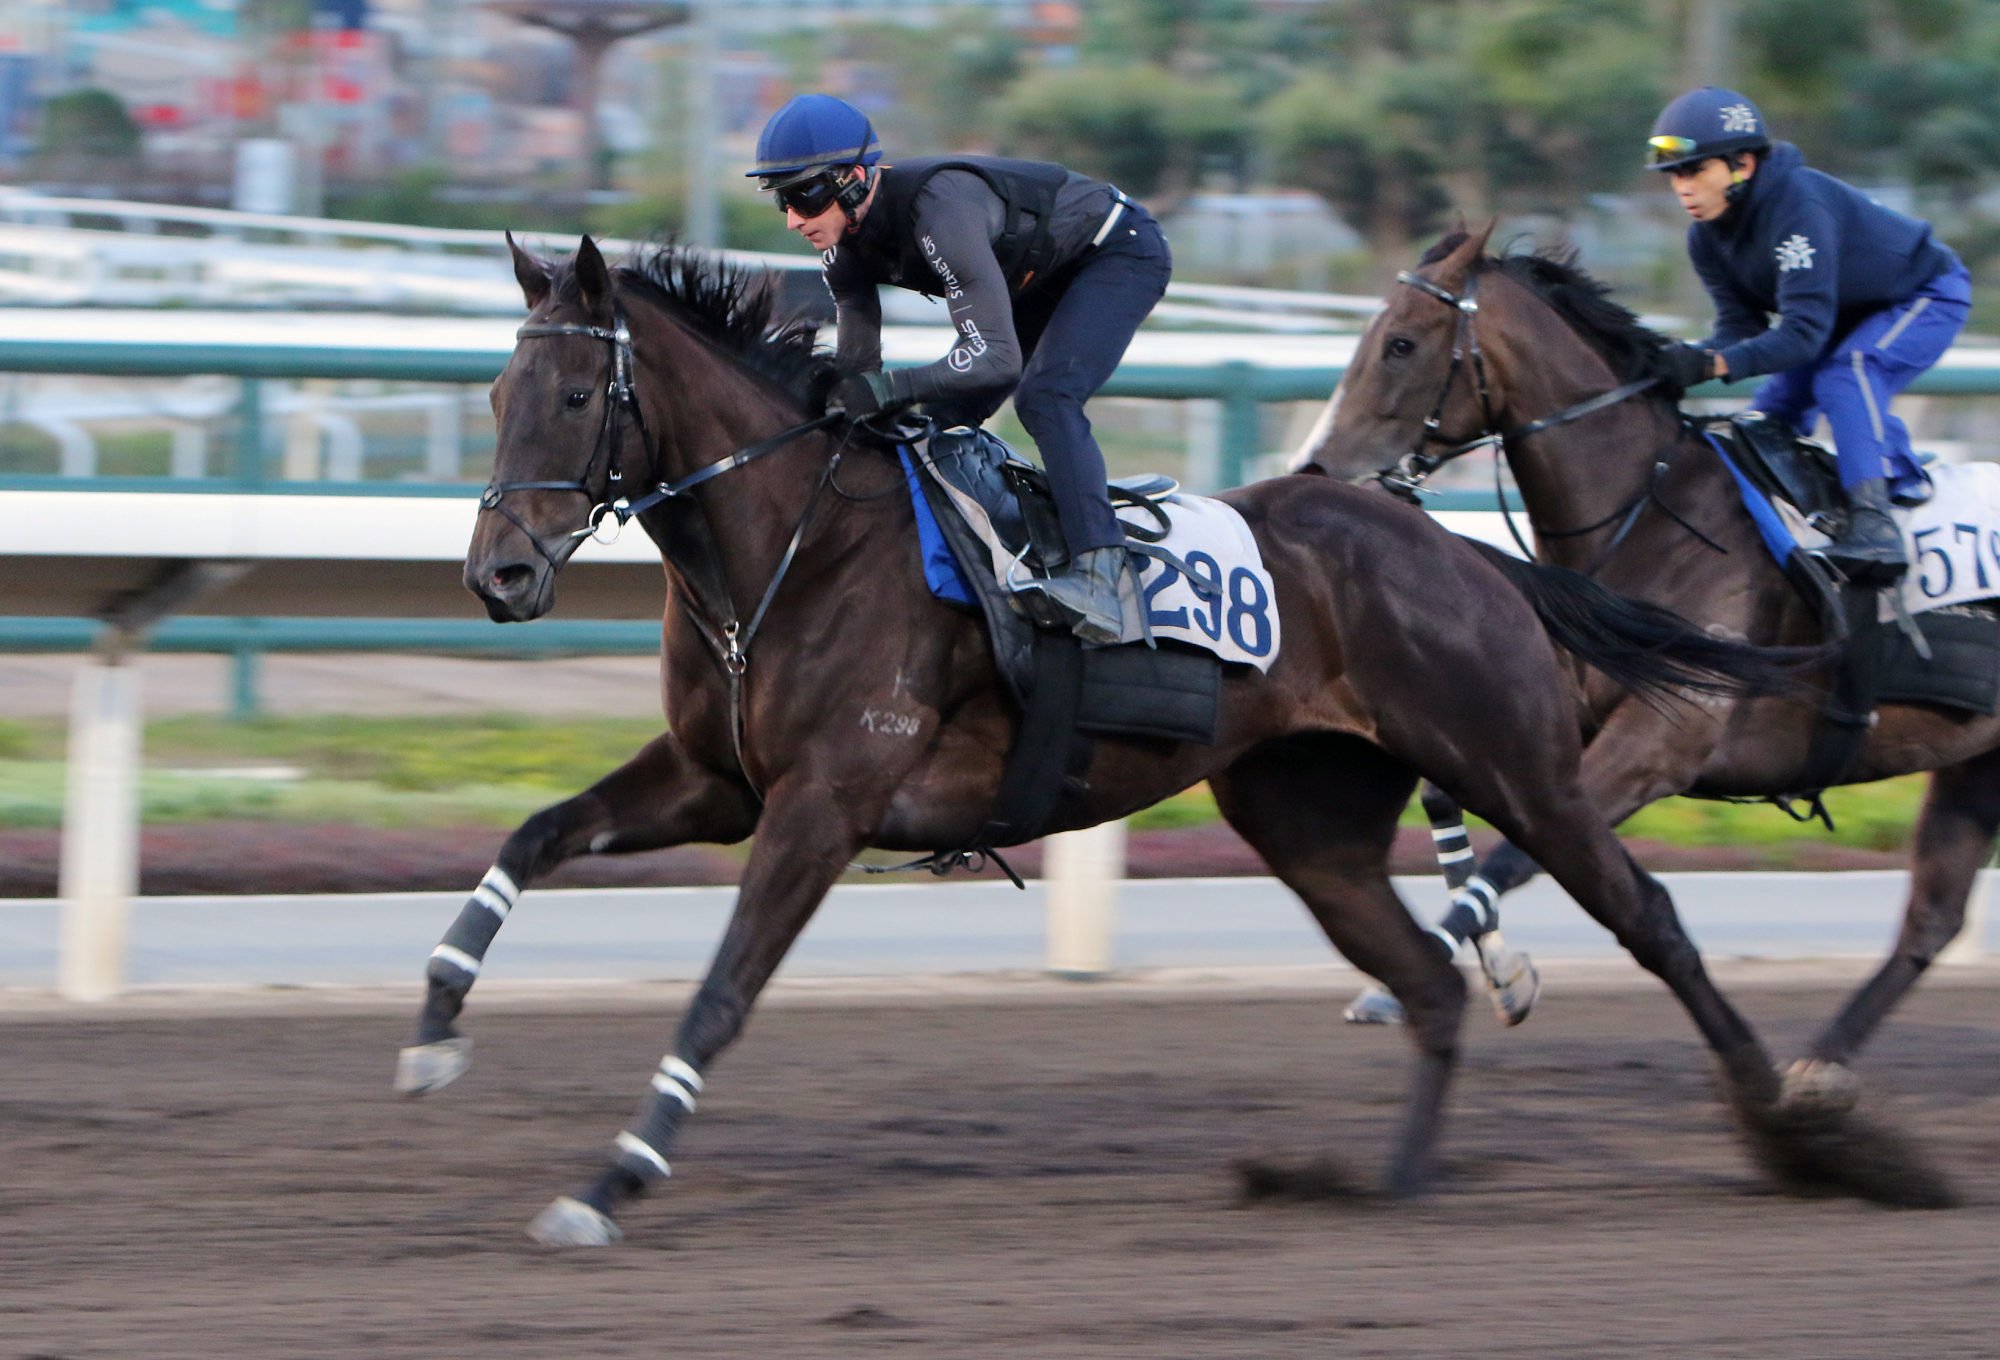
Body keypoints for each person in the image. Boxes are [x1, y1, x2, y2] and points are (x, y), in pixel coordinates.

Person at [747, 93, 1173, 643]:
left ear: (853, 179)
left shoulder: (939, 211)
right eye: (780, 200)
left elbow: (995, 359)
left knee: (1045, 397)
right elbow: (861, 377)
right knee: (941, 420)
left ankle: (1101, 576)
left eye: (802, 198)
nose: (791, 221)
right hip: (1037, 273)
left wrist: (887, 389)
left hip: (1115, 251)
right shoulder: (841, 246)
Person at [1647, 86, 1972, 584]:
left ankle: (1877, 525)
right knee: (1768, 420)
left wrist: (1711, 366)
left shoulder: (1799, 205)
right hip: (1839, 314)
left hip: (1923, 294)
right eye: (1674, 175)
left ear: (1744, 166)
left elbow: (1800, 337)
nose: (1682, 188)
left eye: (1695, 171)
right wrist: (1683, 357)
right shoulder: (1705, 239)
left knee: (1850, 373)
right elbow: (1740, 329)